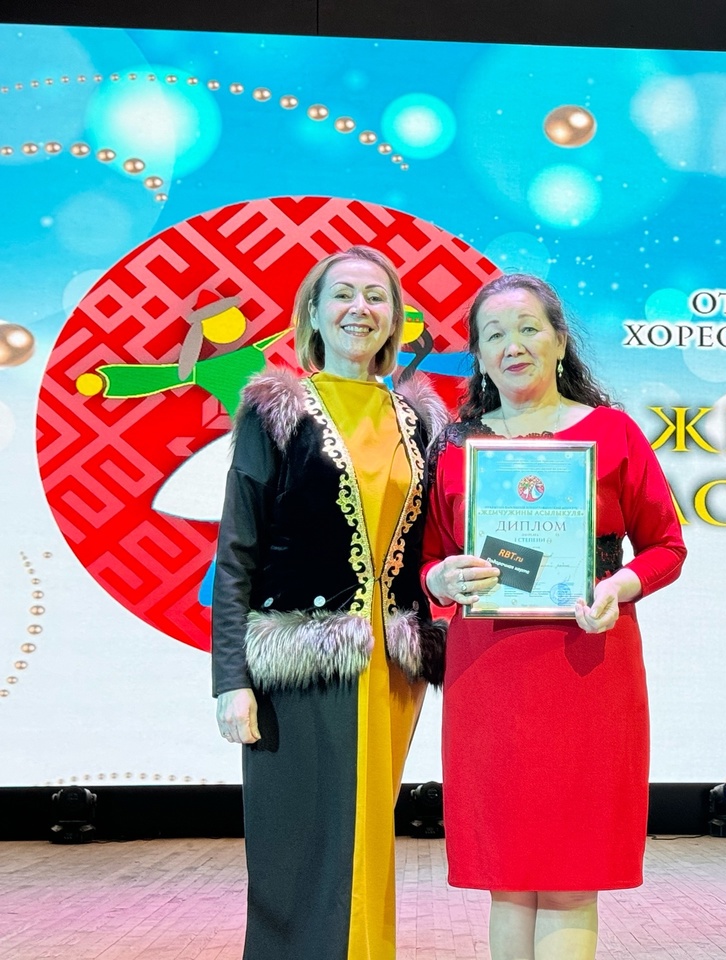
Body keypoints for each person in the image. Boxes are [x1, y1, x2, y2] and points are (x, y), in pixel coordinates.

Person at [420, 274, 686, 960]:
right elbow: (428, 559)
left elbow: (666, 546)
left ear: (561, 341)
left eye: (528, 329)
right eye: (494, 335)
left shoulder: (613, 433)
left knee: (571, 877)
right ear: (479, 355)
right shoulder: (455, 447)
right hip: (489, 673)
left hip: (588, 667)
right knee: (506, 879)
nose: (512, 346)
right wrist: (440, 577)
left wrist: (619, 585)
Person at [212, 245, 448, 960]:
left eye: (376, 296)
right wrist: (230, 681)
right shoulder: (275, 410)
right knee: (296, 848)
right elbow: (238, 551)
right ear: (313, 313)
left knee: (366, 840)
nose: (359, 309)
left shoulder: (419, 418)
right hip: (300, 662)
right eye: (342, 294)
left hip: (393, 667)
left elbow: (432, 542)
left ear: (395, 319)